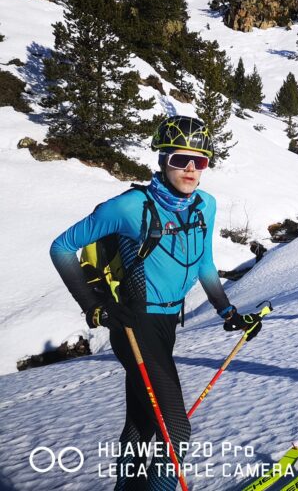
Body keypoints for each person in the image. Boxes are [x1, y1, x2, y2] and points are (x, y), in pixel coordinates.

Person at [50, 115, 263, 490]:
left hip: (167, 325)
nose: (191, 169)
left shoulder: (205, 206)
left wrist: (226, 311)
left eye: (201, 161)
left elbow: (204, 263)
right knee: (176, 430)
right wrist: (93, 305)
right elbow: (62, 247)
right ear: (163, 159)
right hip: (134, 325)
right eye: (181, 159)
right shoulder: (130, 207)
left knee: (143, 423)